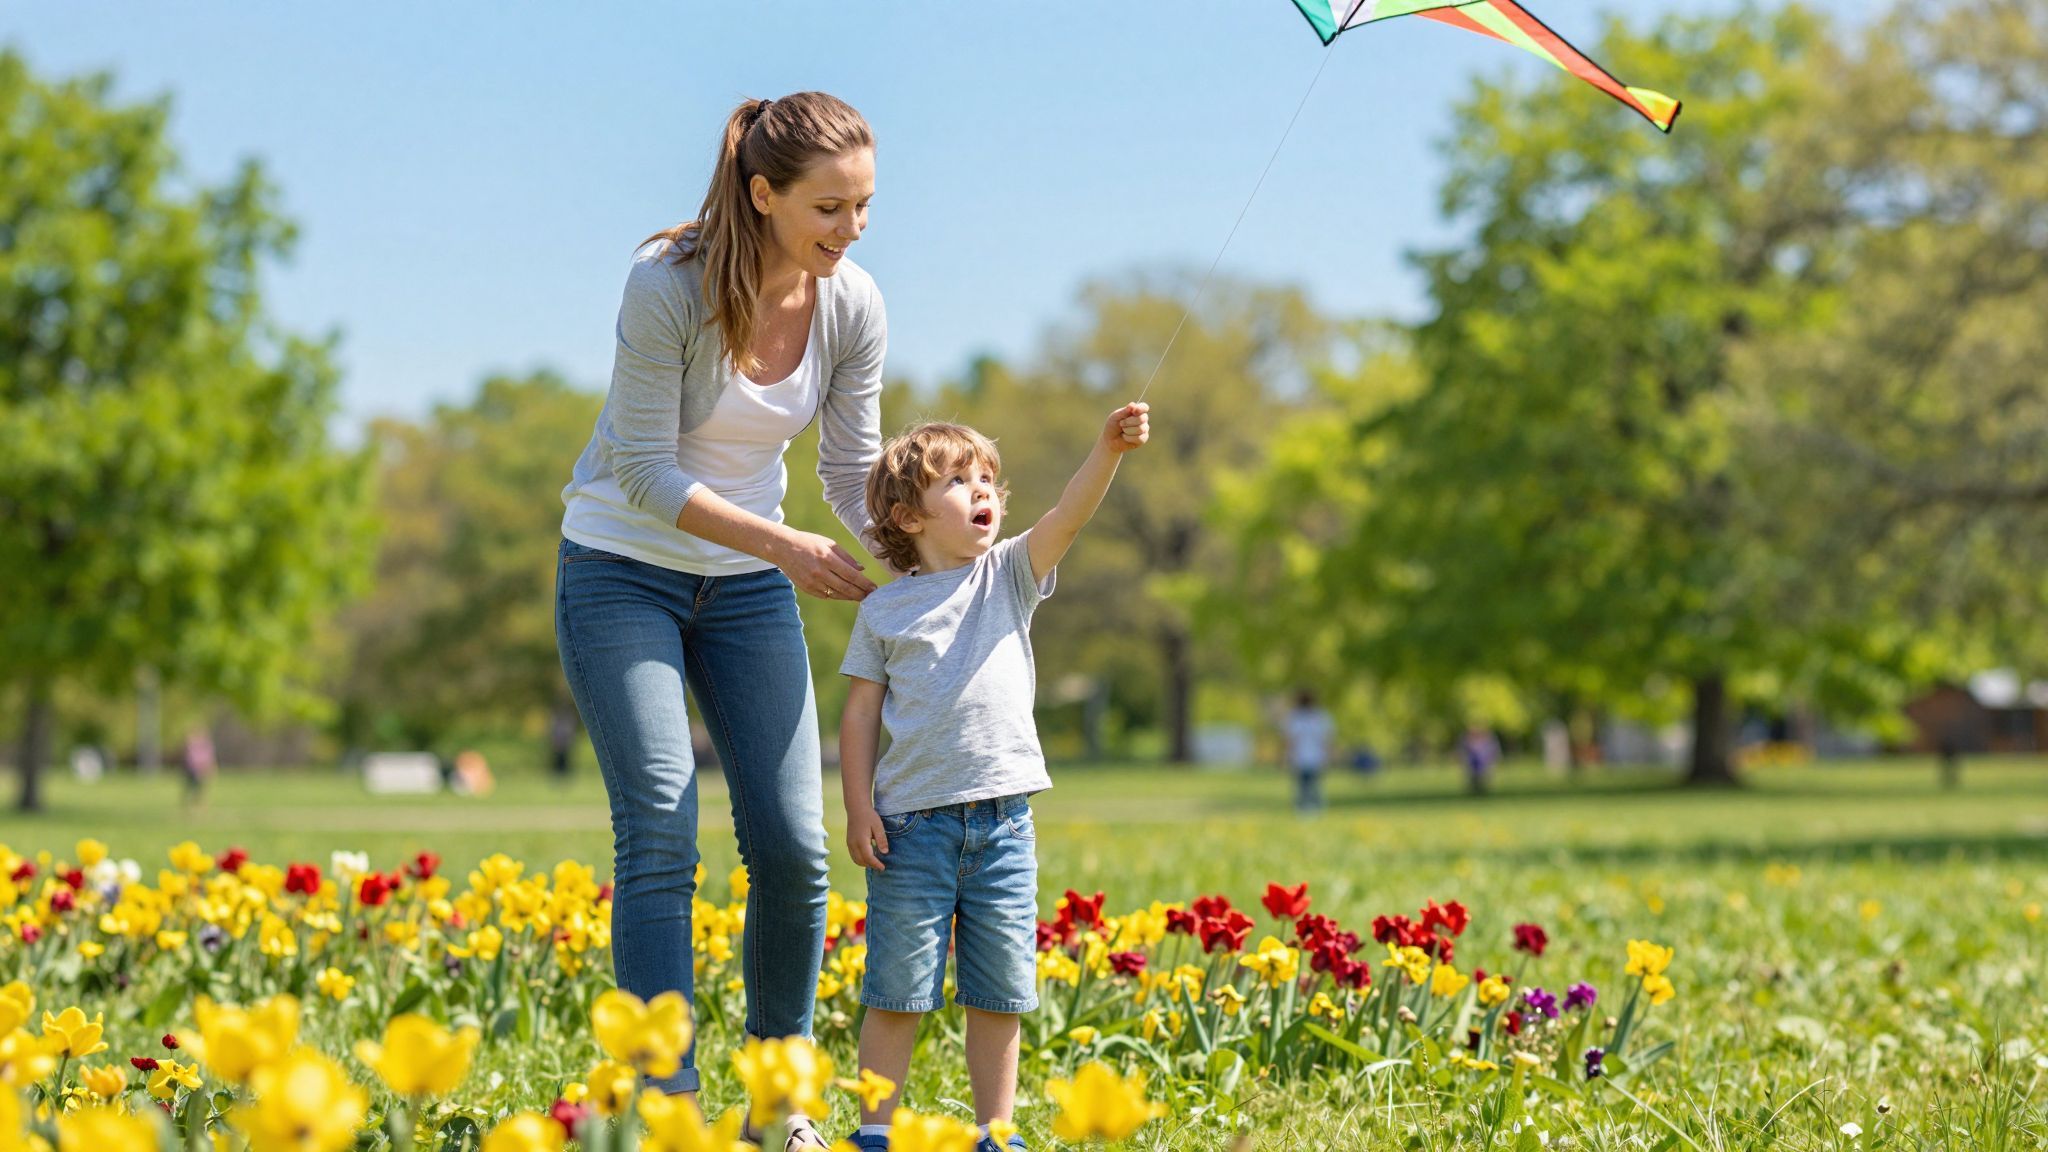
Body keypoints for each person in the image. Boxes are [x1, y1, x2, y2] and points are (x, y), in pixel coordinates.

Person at [553, 91, 887, 1146]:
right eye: (828, 208)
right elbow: (644, 473)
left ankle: (776, 1105)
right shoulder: (668, 284)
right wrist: (786, 549)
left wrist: (923, 565)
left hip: (741, 590)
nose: (849, 229)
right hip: (621, 568)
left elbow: (846, 471)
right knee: (658, 825)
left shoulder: (852, 305)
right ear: (762, 194)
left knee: (793, 845)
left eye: (864, 206)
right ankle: (667, 1106)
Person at [838, 404, 1151, 1152]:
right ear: (909, 517)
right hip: (911, 828)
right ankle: (874, 1132)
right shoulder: (884, 610)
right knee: (897, 988)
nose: (983, 490)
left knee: (1000, 988)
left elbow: (1067, 517)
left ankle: (996, 1133)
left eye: (988, 478)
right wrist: (857, 809)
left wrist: (1105, 449)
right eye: (958, 480)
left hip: (1006, 824)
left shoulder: (1008, 575)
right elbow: (858, 717)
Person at [1282, 690, 1336, 813]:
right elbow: (1326, 739)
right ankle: (1315, 808)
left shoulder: (1295, 718)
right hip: (1316, 756)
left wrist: (1286, 757)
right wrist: (1329, 755)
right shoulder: (1321, 717)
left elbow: (1290, 741)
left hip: (1301, 757)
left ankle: (1304, 809)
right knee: (1313, 784)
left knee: (1303, 785)